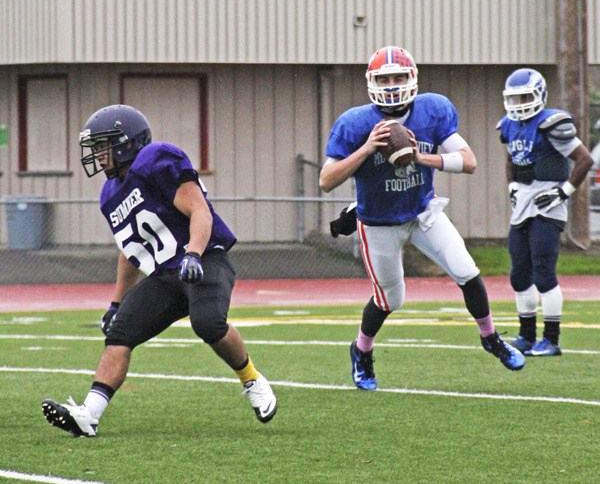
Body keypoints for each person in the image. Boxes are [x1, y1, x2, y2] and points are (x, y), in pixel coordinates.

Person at [42, 104, 277, 436]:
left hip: (204, 258)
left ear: (127, 142)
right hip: (164, 276)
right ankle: (89, 415)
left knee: (208, 323)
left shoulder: (156, 159)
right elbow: (129, 251)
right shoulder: (110, 194)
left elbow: (200, 211)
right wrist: (116, 304)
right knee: (119, 334)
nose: (98, 155)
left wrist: (193, 254)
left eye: (103, 145)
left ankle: (251, 378)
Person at [320, 45, 525, 391]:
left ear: (412, 79)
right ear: (372, 83)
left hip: (422, 212)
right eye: (385, 78)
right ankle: (361, 350)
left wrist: (418, 157)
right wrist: (368, 147)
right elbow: (326, 180)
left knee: (467, 270)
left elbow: (468, 161)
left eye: (399, 76)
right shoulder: (355, 123)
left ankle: (490, 338)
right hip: (378, 222)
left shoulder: (432, 109)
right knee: (391, 299)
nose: (392, 84)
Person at [498, 68, 593, 356]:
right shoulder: (509, 124)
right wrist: (512, 184)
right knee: (519, 274)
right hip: (523, 204)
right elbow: (511, 158)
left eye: (525, 96)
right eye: (515, 98)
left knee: (543, 273)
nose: (520, 103)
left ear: (539, 94)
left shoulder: (552, 123)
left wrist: (563, 191)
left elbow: (584, 160)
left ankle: (551, 339)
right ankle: (526, 336)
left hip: (547, 206)